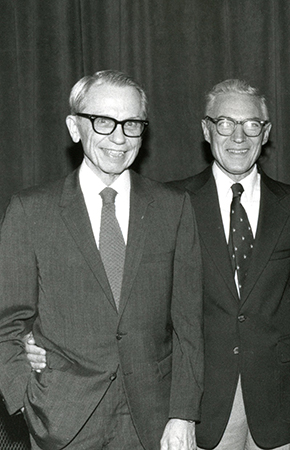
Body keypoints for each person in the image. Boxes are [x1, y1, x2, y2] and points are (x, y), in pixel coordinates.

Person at [0, 70, 204, 450]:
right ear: (75, 127)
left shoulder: (173, 208)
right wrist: (26, 399)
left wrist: (183, 414)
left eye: (132, 124)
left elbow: (189, 325)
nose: (119, 137)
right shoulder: (29, 211)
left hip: (154, 423)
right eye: (104, 122)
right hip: (60, 420)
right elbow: (5, 323)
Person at [173, 79, 290, 450]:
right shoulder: (173, 203)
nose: (239, 136)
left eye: (251, 125)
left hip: (280, 396)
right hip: (204, 399)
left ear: (265, 133)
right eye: (225, 123)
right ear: (207, 129)